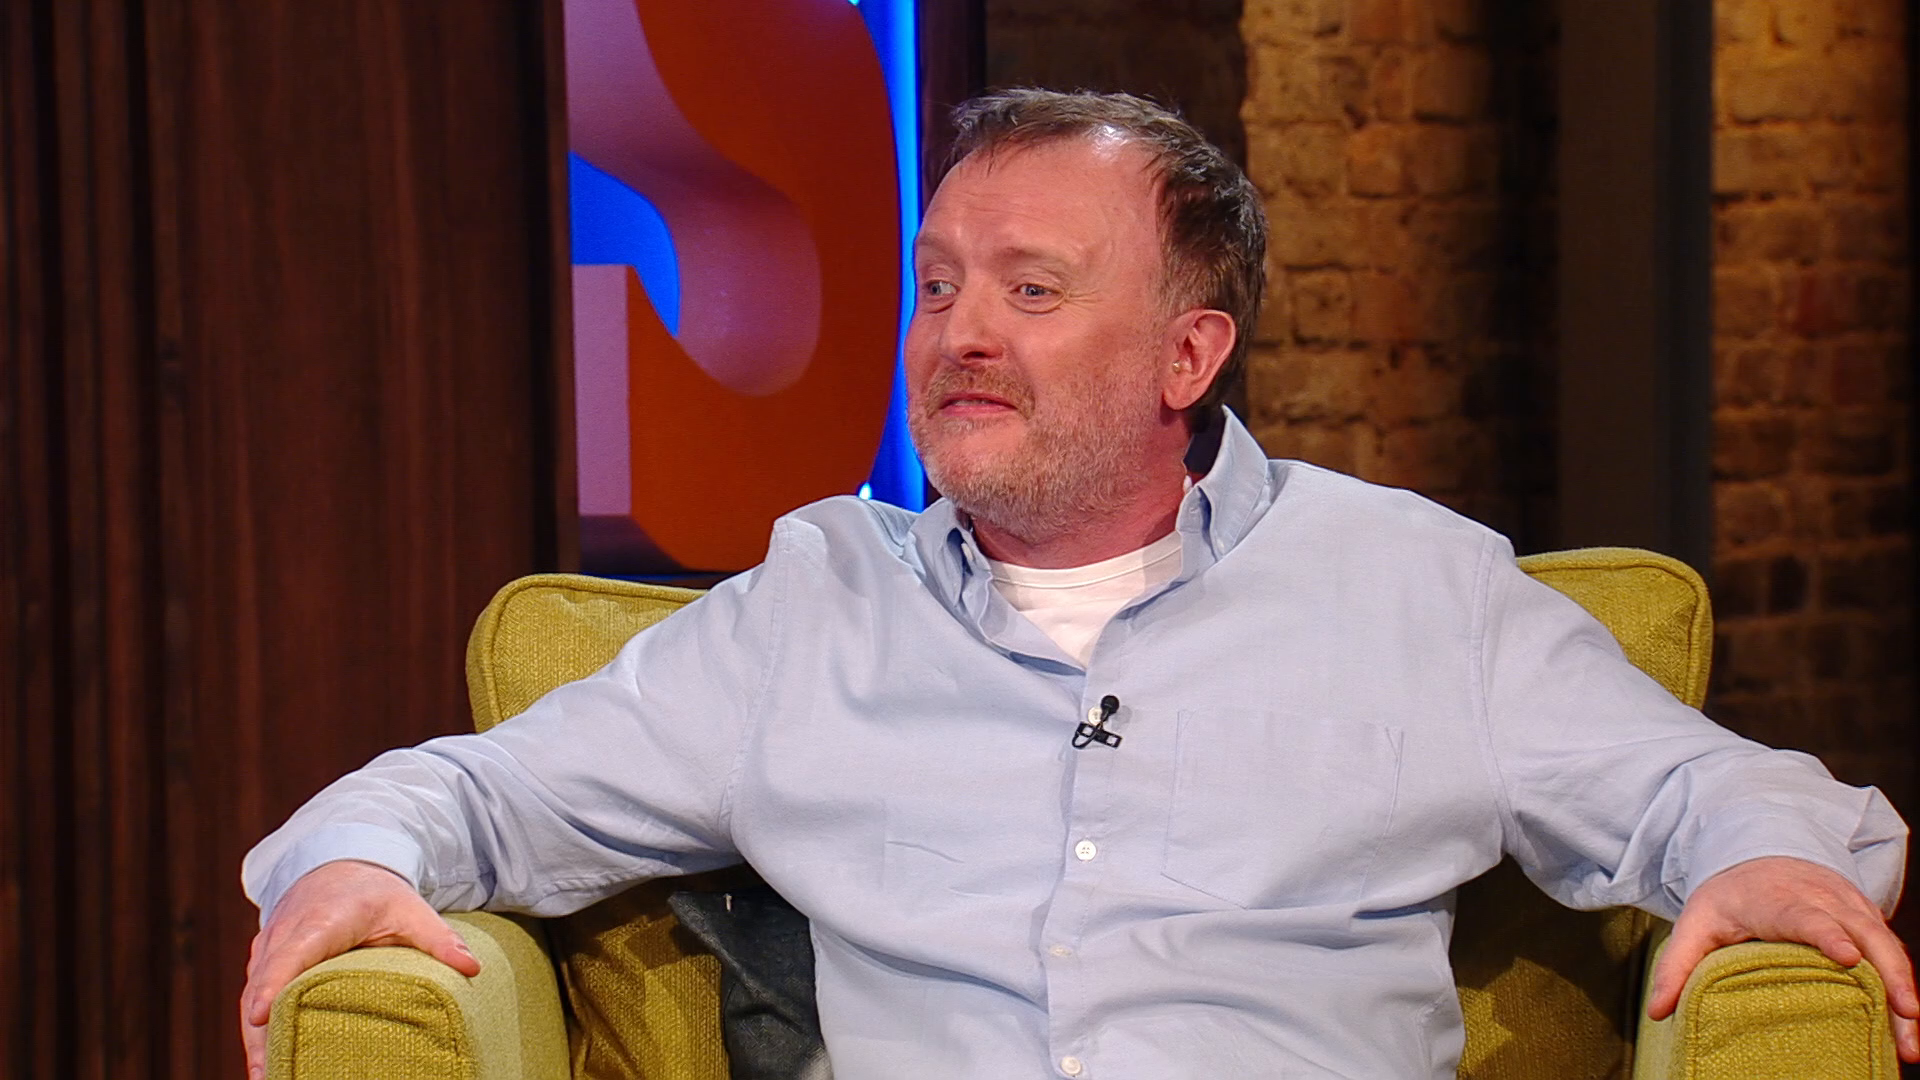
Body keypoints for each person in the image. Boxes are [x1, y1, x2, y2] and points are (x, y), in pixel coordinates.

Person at [241, 90, 1916, 1079]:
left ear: (1190, 354)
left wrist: (1763, 859)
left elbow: (1734, 795)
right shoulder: (814, 609)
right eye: (939, 285)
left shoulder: (1417, 591)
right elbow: (467, 797)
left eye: (1031, 292)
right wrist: (350, 865)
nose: (958, 334)